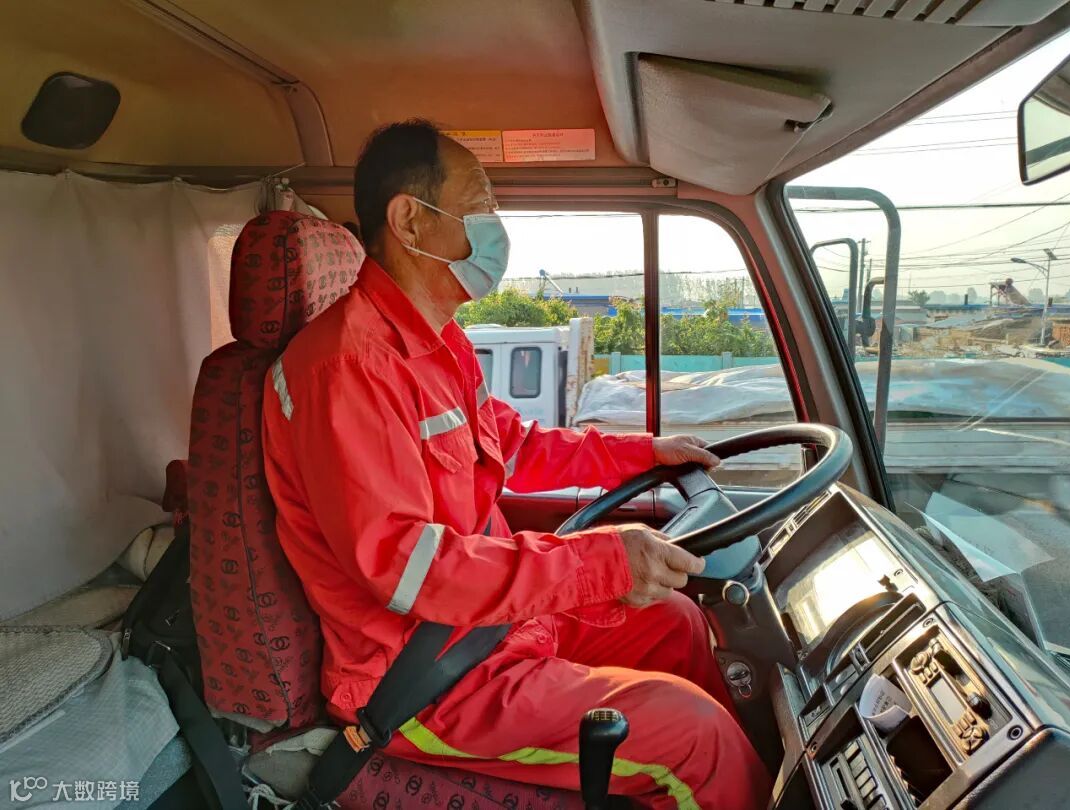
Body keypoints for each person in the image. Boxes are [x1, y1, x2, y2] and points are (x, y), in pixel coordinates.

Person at [262, 119, 769, 809]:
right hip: (426, 679)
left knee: (675, 623)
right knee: (697, 737)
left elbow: (516, 446)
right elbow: (408, 566)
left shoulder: (439, 344)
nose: (496, 227)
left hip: (489, 628)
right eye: (481, 205)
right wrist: (601, 562)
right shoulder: (346, 367)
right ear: (410, 220)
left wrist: (644, 452)